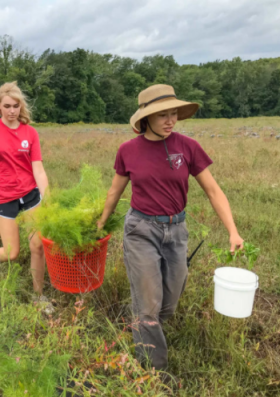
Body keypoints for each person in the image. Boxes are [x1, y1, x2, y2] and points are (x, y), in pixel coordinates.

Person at [96, 84, 244, 382]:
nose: (170, 120)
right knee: (149, 305)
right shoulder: (128, 150)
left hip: (176, 231)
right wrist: (100, 223)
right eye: (162, 114)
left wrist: (233, 231)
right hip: (141, 229)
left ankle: (138, 322)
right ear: (145, 118)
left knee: (168, 302)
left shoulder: (187, 147)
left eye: (173, 113)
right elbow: (114, 192)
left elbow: (213, 191)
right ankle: (154, 374)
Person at [0, 81, 52, 312]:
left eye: (16, 106)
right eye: (7, 106)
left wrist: (47, 198)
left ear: (20, 106)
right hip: (3, 196)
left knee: (38, 247)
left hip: (30, 195)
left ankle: (39, 297)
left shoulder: (30, 133)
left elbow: (38, 169)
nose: (11, 111)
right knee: (12, 252)